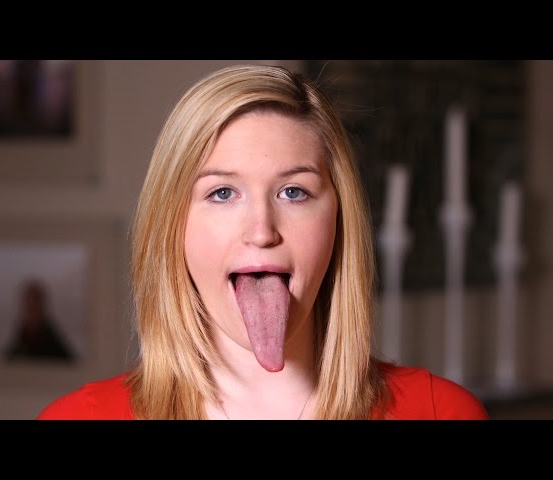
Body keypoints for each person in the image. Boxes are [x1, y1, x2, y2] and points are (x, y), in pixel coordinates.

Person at [38, 64, 488, 420]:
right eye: (222, 193)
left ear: (338, 220)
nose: (261, 231)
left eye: (293, 192)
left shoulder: (441, 412)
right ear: (172, 225)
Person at [5, 279, 75, 362]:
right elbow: (8, 360)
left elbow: (68, 361)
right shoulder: (22, 334)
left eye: (34, 306)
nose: (30, 312)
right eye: (28, 306)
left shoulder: (51, 337)